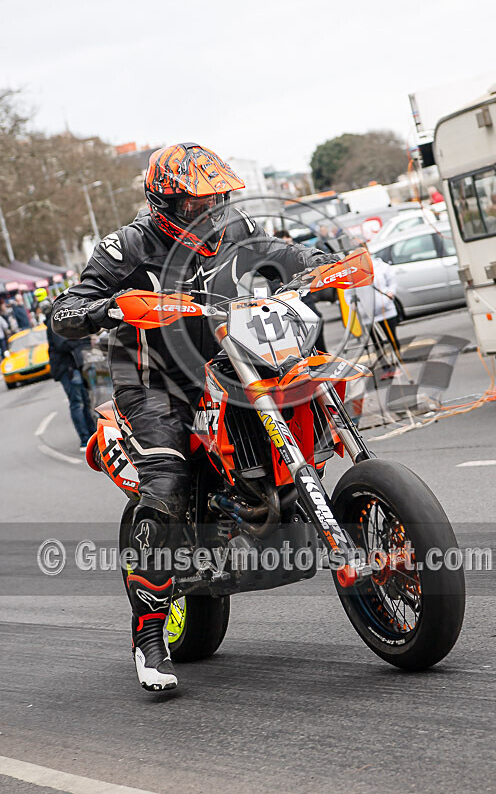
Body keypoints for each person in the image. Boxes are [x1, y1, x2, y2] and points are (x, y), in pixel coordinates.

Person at [51, 143, 337, 692]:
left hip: (231, 361)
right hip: (153, 380)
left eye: (218, 198)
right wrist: (101, 308)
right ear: (164, 202)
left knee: (309, 391)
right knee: (167, 484)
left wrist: (317, 264)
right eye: (195, 203)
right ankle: (149, 638)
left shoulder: (236, 229)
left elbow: (281, 252)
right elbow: (64, 309)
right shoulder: (126, 247)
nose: (210, 211)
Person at [43, 299, 96, 450]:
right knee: (77, 402)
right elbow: (63, 345)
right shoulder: (53, 325)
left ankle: (92, 434)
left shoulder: (56, 323)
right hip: (67, 369)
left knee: (84, 400)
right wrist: (84, 340)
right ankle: (85, 439)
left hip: (72, 366)